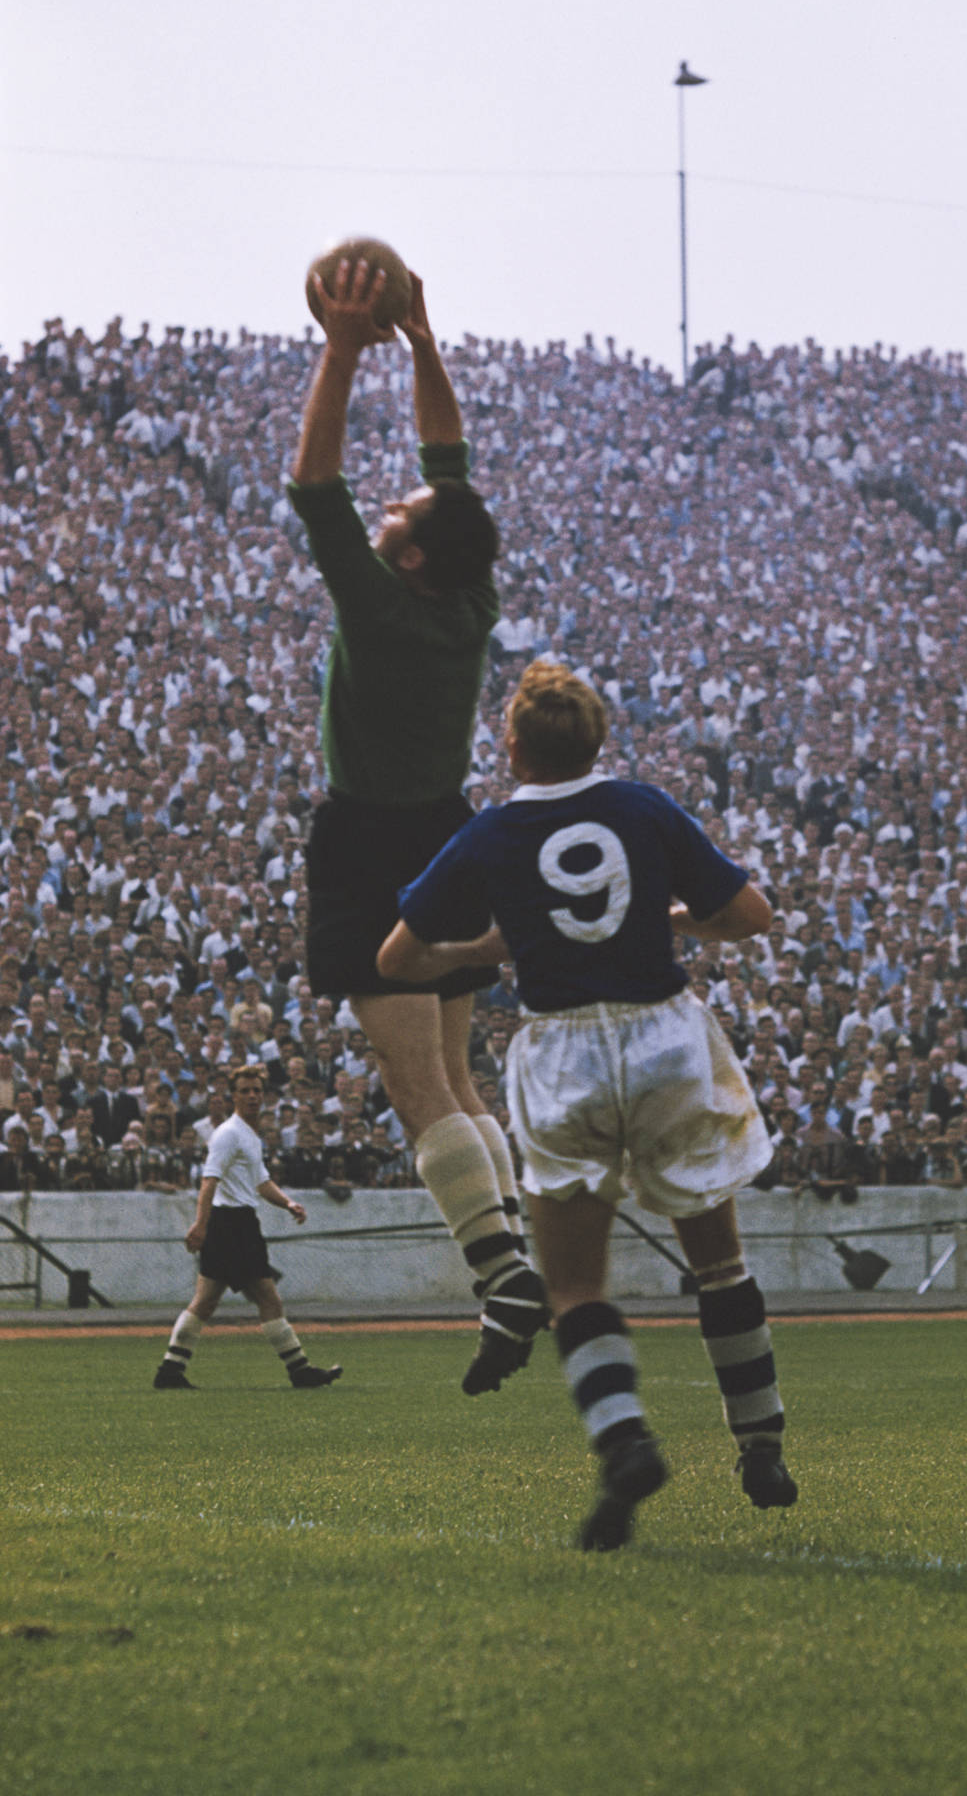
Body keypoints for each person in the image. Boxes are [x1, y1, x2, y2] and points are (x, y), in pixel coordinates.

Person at [379, 661, 797, 1550]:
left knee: (572, 1285)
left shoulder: (491, 834)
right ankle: (760, 1443)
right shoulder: (645, 808)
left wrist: (486, 945)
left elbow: (397, 961)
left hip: (562, 1047)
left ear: (514, 744)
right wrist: (672, 919)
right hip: (665, 1040)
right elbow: (753, 915)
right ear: (598, 738)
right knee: (718, 1264)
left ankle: (624, 1439)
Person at [287, 255, 547, 1394]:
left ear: (405, 556)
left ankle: (503, 1277)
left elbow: (314, 485)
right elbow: (450, 468)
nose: (396, 501)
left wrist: (346, 349)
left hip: (372, 839)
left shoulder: (376, 597)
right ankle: (517, 1257)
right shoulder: (470, 596)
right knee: (458, 1069)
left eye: (403, 514)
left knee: (415, 1080)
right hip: (449, 830)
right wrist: (426, 345)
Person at [153, 1064, 341, 1389]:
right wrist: (200, 1225)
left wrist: (288, 1203)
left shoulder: (249, 1134)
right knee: (268, 1299)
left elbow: (261, 1182)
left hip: (236, 1222)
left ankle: (170, 1370)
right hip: (231, 1224)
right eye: (245, 1091)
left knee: (206, 1302)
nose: (252, 1096)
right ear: (233, 1095)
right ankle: (300, 1370)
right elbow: (208, 1181)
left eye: (257, 1090)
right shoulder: (228, 1134)